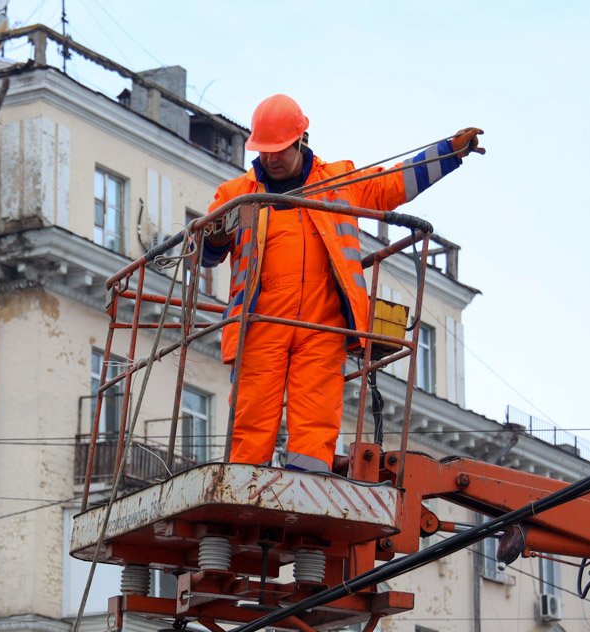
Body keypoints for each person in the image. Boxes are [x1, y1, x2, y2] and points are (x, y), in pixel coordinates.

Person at [202, 93, 482, 471]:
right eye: (264, 149)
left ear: (301, 140)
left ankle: (306, 490)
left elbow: (393, 183)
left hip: (322, 326)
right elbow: (205, 252)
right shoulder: (234, 195)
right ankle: (242, 486)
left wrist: (449, 153)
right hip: (261, 326)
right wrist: (213, 237)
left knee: (316, 418)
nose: (270, 158)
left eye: (279, 149)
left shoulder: (339, 181)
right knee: (251, 418)